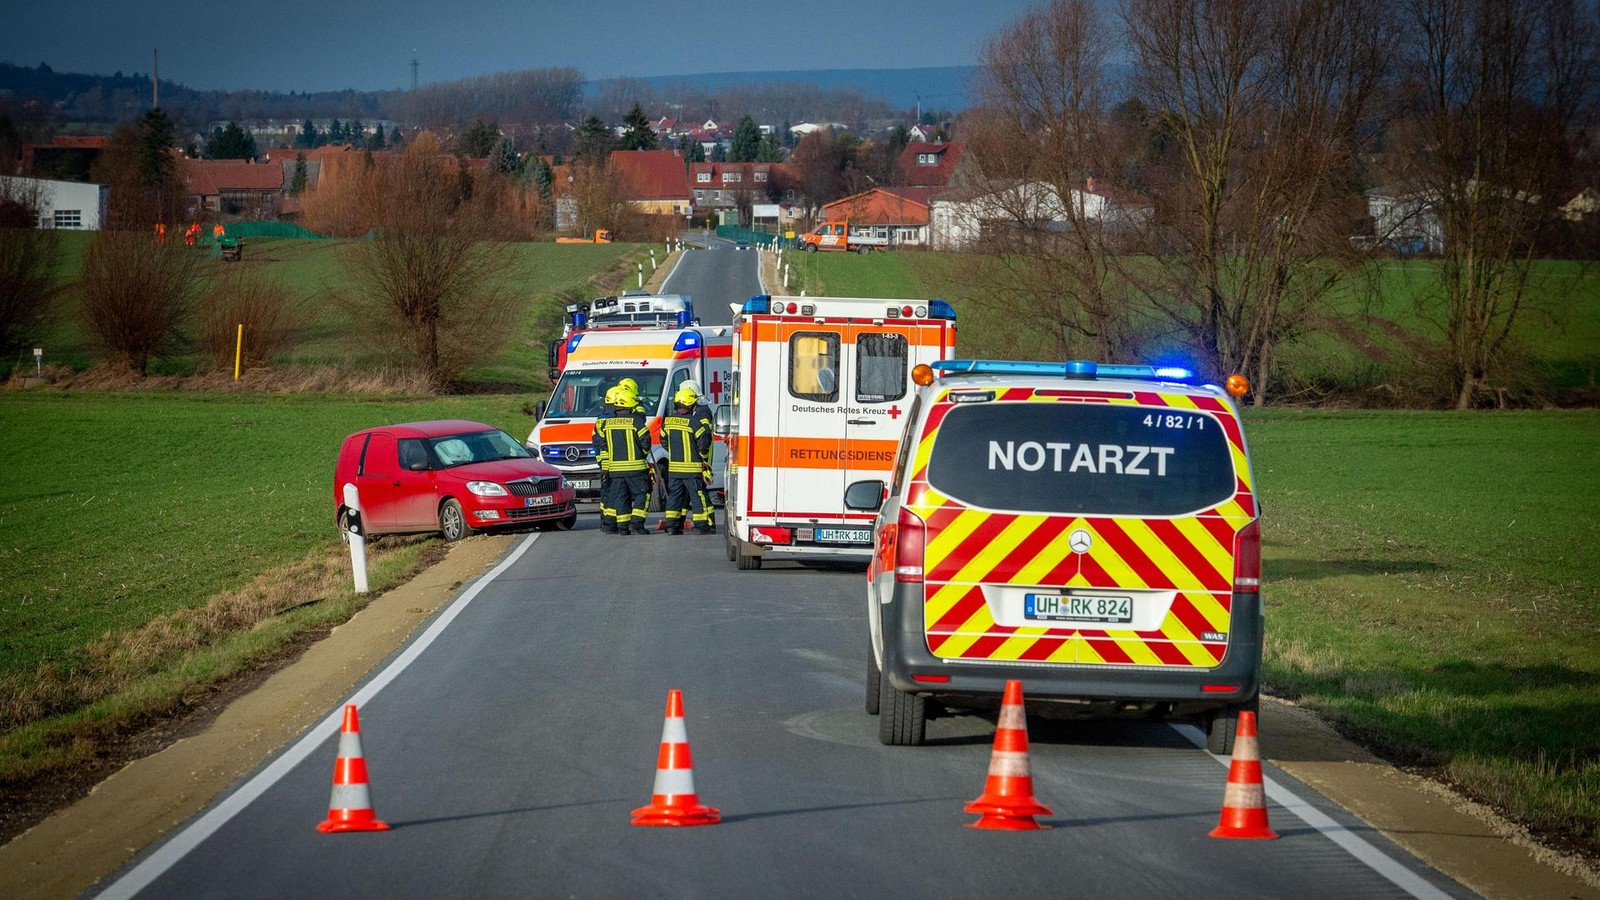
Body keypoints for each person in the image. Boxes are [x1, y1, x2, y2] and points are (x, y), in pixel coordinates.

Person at [593, 384, 652, 535]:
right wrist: (643, 454)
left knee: (620, 497)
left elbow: (602, 445)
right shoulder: (636, 421)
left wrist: (606, 464)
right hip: (636, 468)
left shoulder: (606, 423)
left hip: (614, 469)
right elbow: (646, 442)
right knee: (642, 494)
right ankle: (637, 523)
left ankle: (623, 527)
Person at [660, 387, 713, 534]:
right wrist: (703, 459)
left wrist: (676, 453)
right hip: (692, 469)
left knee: (675, 498)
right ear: (691, 405)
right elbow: (704, 443)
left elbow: (664, 441)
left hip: (675, 469)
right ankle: (701, 526)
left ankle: (672, 526)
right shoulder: (695, 422)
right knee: (697, 497)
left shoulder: (668, 422)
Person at [678, 380, 717, 530]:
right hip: (696, 456)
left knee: (701, 490)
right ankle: (681, 520)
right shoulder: (698, 409)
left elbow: (703, 436)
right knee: (690, 492)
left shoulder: (702, 411)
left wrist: (702, 457)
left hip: (701, 457)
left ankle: (709, 521)